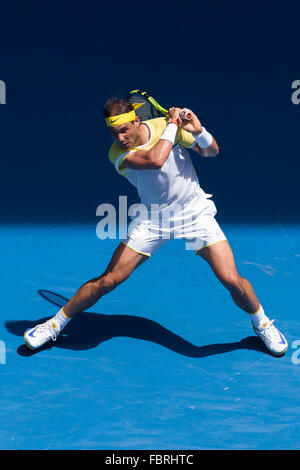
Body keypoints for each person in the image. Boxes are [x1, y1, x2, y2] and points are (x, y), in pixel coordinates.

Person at [24, 97, 288, 356]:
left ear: (137, 121)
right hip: (154, 220)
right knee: (108, 280)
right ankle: (54, 324)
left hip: (194, 214)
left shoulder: (164, 127)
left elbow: (211, 151)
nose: (120, 138)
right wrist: (173, 124)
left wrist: (199, 130)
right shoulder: (118, 153)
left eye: (124, 130)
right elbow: (155, 160)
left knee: (231, 279)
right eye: (113, 133)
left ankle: (261, 322)